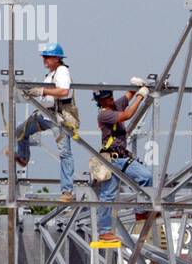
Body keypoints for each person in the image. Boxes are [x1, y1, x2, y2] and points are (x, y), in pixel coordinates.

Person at [11, 43, 77, 202]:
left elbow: (63, 91)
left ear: (57, 58)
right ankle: (23, 157)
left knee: (64, 153)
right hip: (46, 115)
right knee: (21, 131)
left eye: (47, 57)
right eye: (44, 57)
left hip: (58, 118)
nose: (44, 60)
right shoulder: (51, 74)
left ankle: (67, 191)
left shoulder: (62, 71)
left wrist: (42, 91)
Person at [92, 81, 153, 240]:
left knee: (145, 177)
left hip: (119, 158)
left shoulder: (114, 105)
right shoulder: (104, 114)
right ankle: (105, 231)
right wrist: (141, 95)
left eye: (110, 95)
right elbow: (127, 115)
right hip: (113, 159)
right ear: (101, 101)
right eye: (107, 97)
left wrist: (136, 86)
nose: (110, 98)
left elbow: (128, 96)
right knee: (108, 195)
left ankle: (141, 211)